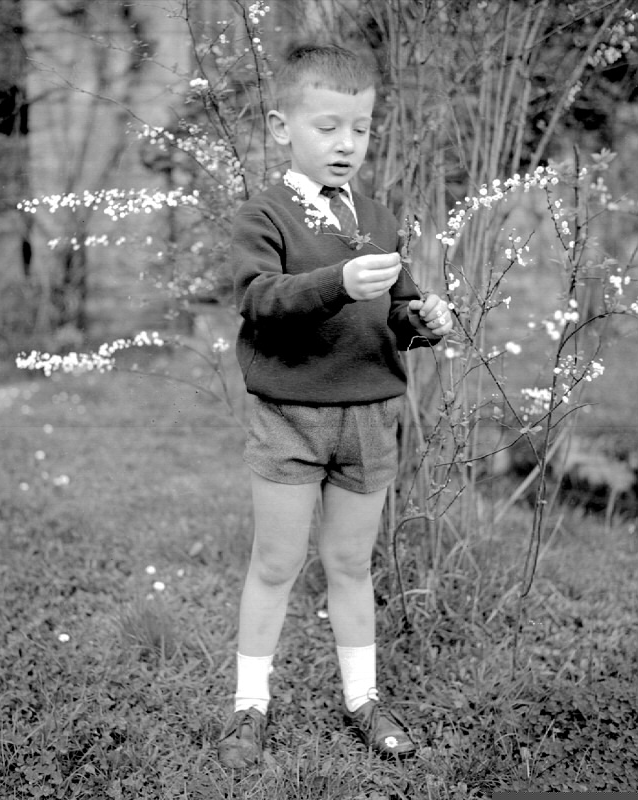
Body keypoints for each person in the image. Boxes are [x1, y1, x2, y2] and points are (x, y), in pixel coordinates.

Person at [218, 43, 453, 768]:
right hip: (290, 417)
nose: (346, 143)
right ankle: (249, 708)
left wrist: (424, 320)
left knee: (351, 562)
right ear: (281, 127)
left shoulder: (376, 215)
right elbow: (259, 300)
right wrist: (338, 282)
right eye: (327, 127)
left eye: (360, 127)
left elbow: (396, 312)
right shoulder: (265, 215)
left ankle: (363, 700)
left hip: (370, 419)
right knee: (276, 563)